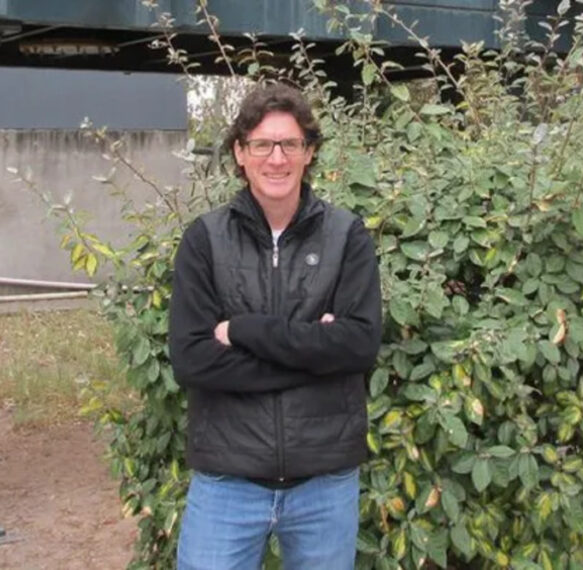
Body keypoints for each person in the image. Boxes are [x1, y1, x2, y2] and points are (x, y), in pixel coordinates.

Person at [168, 82, 383, 570]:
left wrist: (244, 330)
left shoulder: (347, 237)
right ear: (240, 154)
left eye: (290, 144)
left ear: (309, 153)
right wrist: (317, 356)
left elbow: (359, 345)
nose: (277, 158)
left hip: (324, 483)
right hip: (228, 481)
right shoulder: (204, 241)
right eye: (262, 144)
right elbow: (192, 361)